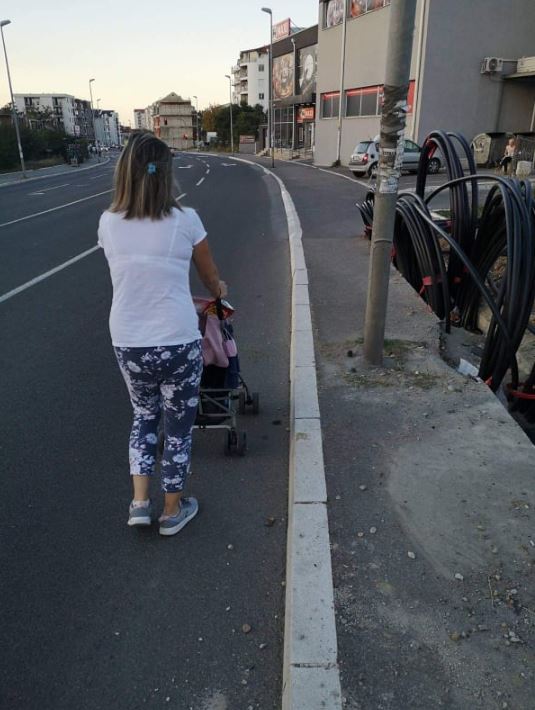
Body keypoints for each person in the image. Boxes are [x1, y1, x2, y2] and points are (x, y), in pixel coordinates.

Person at [97, 132, 226, 536]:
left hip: (128, 340)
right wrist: (218, 289)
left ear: (125, 173)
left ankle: (139, 503)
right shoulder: (187, 220)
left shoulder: (108, 222)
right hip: (176, 339)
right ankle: (172, 511)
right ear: (167, 174)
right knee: (178, 425)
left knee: (144, 416)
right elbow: (208, 274)